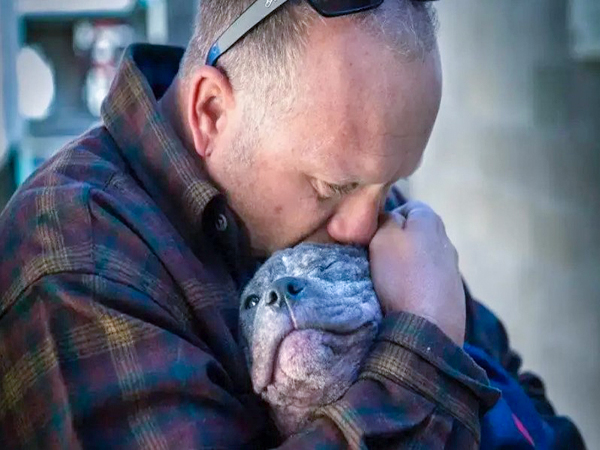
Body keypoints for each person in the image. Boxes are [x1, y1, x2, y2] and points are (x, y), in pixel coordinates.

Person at [0, 0, 584, 448]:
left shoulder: (358, 190)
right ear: (211, 112)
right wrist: (422, 346)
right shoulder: (72, 255)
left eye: (390, 184)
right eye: (333, 186)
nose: (363, 227)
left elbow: (521, 393)